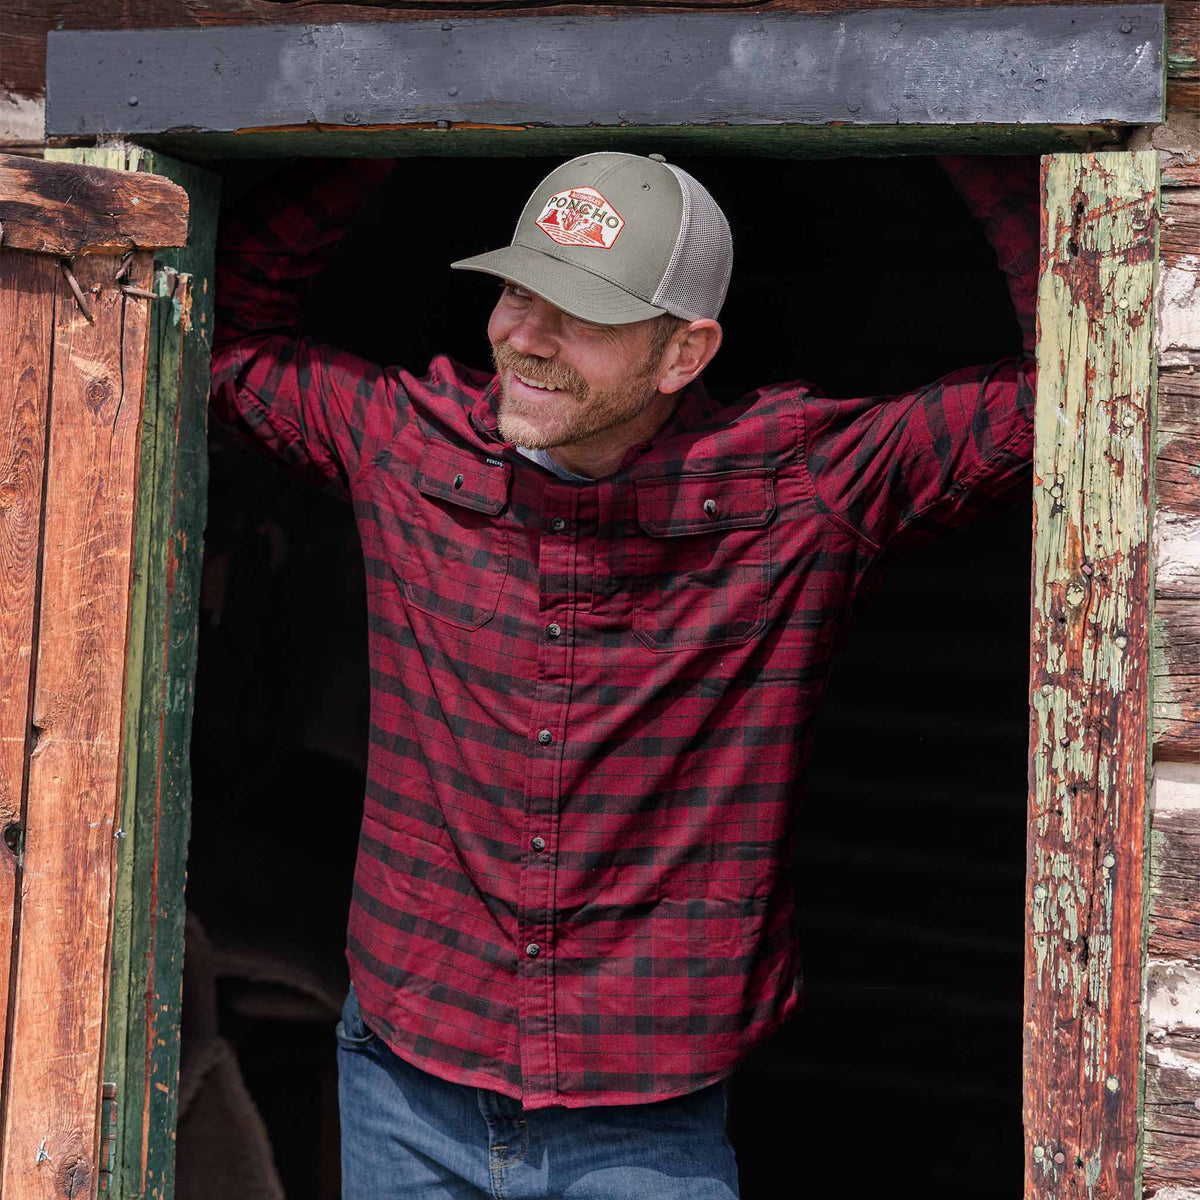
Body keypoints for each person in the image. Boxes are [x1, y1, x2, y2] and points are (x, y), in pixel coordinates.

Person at [211, 149, 1038, 1198]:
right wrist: (389, 119)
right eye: (517, 291)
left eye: (582, 312)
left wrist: (964, 120)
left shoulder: (804, 488)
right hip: (402, 1081)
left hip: (643, 1118)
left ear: (684, 352)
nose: (526, 338)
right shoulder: (404, 445)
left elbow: (1076, 388)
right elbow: (213, 330)